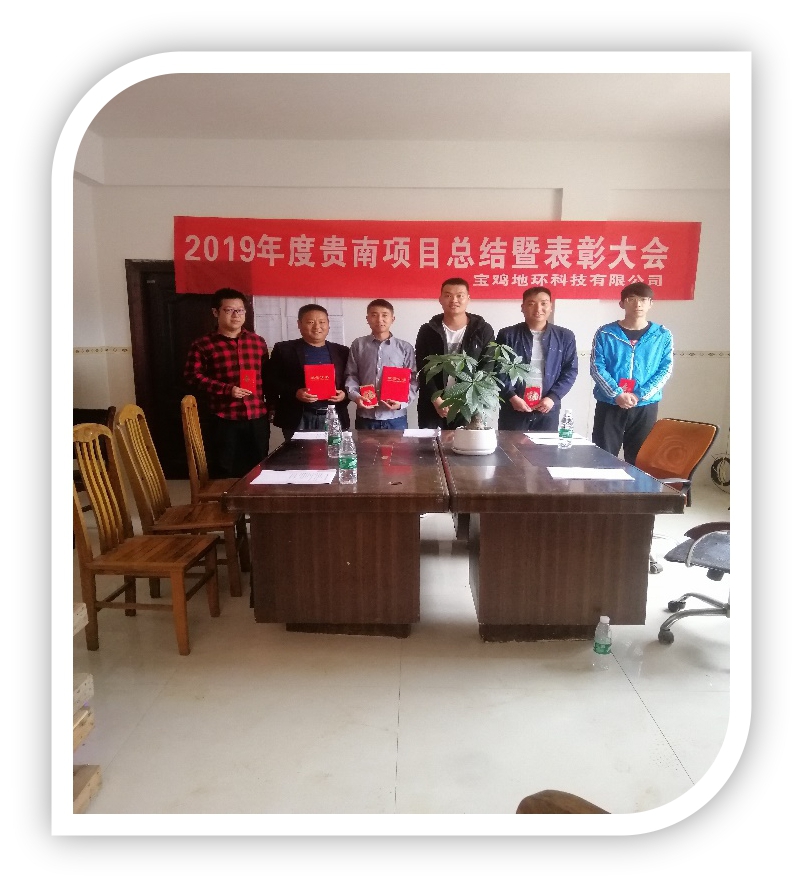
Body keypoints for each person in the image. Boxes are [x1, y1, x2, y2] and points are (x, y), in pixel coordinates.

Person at [183, 288, 270, 478]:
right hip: (223, 417)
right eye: (229, 310)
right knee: (224, 470)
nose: (236, 315)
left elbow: (267, 376)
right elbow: (192, 376)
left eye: (240, 310)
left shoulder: (257, 342)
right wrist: (226, 389)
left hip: (256, 416)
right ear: (216, 312)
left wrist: (271, 406)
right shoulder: (203, 344)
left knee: (259, 468)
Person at [590, 282, 674, 464]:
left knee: (640, 458)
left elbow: (665, 369)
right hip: (610, 403)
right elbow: (597, 367)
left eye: (643, 300)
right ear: (622, 303)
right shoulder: (606, 333)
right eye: (631, 299)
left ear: (651, 304)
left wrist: (639, 395)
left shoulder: (662, 334)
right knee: (602, 456)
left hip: (645, 405)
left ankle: (635, 485)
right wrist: (617, 394)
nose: (638, 304)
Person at [414, 277, 494, 429]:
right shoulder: (427, 330)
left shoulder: (483, 330)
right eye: (448, 295)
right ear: (440, 299)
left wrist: (463, 400)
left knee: (465, 443)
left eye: (460, 295)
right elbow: (423, 367)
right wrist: (436, 398)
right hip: (433, 404)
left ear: (468, 299)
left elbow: (487, 366)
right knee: (430, 443)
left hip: (468, 403)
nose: (454, 300)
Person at [495, 286, 578, 432]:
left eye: (544, 303)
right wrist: (511, 396)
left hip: (547, 407)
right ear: (522, 308)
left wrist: (553, 397)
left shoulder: (565, 336)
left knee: (544, 446)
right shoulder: (507, 335)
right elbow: (498, 369)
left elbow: (570, 371)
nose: (538, 309)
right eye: (531, 303)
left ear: (550, 307)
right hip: (514, 406)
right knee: (511, 445)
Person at [266, 303, 350, 441]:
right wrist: (295, 392)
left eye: (322, 322)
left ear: (328, 324)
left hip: (334, 416)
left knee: (334, 453)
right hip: (298, 417)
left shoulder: (342, 351)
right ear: (299, 324)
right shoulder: (284, 349)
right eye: (310, 322)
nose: (317, 327)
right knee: (297, 454)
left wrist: (344, 394)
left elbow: (351, 379)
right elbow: (271, 381)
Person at [344, 299, 418, 430]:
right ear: (367, 319)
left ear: (392, 319)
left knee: (398, 445)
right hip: (366, 416)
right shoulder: (358, 345)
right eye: (374, 315)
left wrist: (401, 403)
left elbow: (413, 379)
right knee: (363, 445)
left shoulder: (405, 348)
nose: (379, 319)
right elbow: (351, 375)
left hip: (396, 418)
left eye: (384, 315)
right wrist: (356, 396)